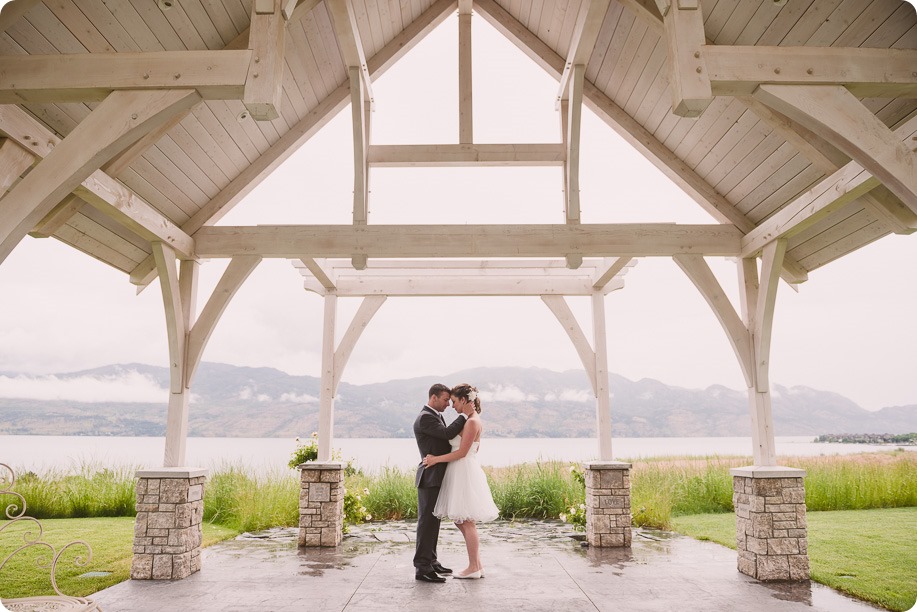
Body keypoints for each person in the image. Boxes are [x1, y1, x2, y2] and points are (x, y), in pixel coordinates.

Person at [422, 383, 499, 579]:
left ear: (464, 400)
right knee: (462, 521)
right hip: (461, 470)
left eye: (454, 401)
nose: (453, 406)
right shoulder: (471, 420)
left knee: (466, 521)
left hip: (464, 472)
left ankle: (473, 566)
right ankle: (478, 566)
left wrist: (435, 459)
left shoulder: (472, 422)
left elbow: (463, 452)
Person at [413, 383, 468, 583]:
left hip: (436, 475)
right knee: (426, 522)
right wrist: (464, 416)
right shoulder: (426, 417)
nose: (447, 404)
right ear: (433, 397)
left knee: (433, 521)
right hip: (429, 476)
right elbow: (446, 435)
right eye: (445, 400)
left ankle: (432, 561)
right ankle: (422, 568)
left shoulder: (436, 415)